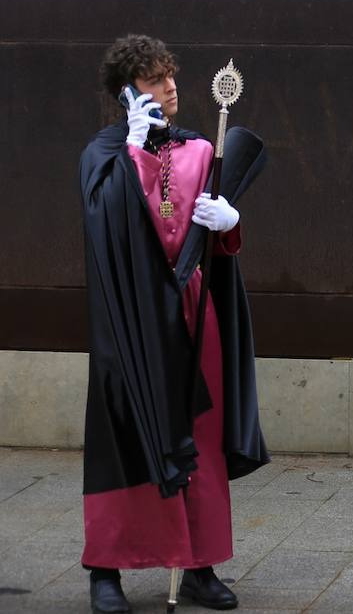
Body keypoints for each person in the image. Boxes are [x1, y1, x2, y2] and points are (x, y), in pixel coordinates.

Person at [79, 35, 268, 613]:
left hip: (193, 313)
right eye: (155, 79)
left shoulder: (200, 149)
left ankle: (199, 564)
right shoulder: (104, 154)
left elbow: (221, 249)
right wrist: (132, 155)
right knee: (127, 433)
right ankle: (105, 569)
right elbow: (104, 227)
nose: (170, 87)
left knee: (200, 439)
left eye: (171, 76)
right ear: (127, 93)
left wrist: (229, 223)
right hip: (132, 321)